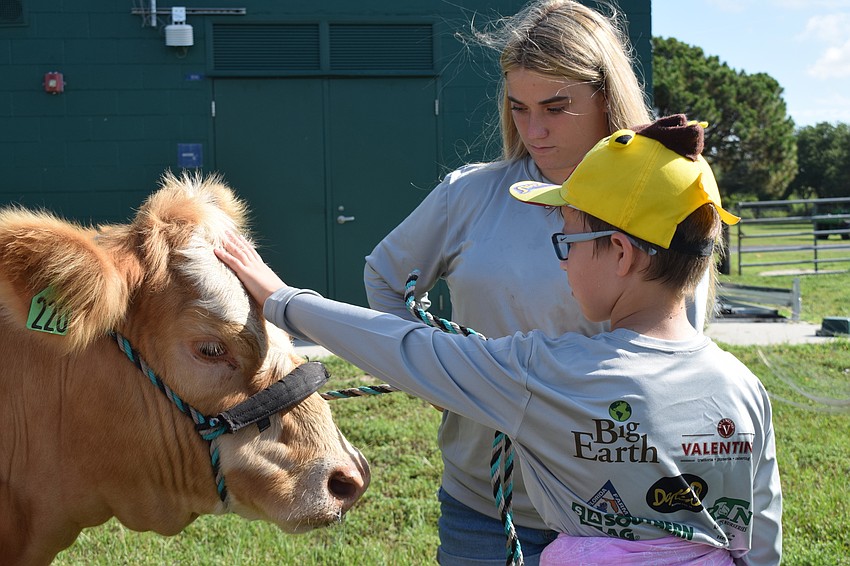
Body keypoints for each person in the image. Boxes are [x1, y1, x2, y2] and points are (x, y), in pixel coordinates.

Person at [215, 114, 782, 565]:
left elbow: (409, 350)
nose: (563, 265)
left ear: (622, 253)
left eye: (568, 244)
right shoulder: (745, 389)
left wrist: (282, 300)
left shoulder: (547, 375)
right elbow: (761, 536)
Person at [361, 1, 660, 562]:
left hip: (622, 511)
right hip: (486, 511)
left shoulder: (658, 198)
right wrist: (433, 369)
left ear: (606, 97)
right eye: (519, 108)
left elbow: (675, 350)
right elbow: (384, 278)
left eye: (556, 106)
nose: (535, 129)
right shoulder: (469, 195)